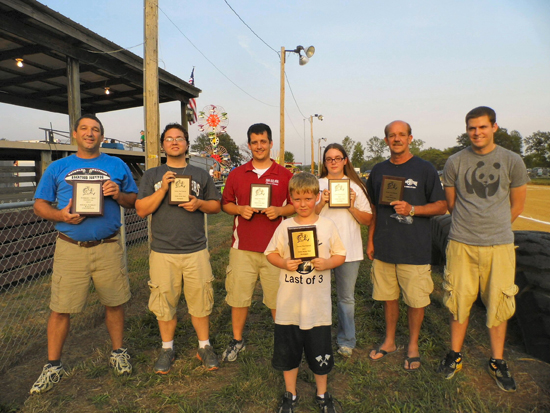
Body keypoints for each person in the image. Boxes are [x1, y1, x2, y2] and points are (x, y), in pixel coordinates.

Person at [31, 114, 138, 394]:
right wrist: (60, 215)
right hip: (70, 248)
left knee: (114, 303)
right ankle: (53, 365)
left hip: (108, 247)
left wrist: (118, 194)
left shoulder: (116, 165)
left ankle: (118, 352)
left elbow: (133, 201)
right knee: (60, 308)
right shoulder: (58, 167)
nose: (90, 134)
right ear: (75, 134)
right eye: (85, 129)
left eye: (96, 130)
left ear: (102, 136)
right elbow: (39, 204)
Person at [437, 107, 529, 392]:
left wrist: (494, 228)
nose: (476, 132)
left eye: (482, 127)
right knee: (457, 301)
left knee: (499, 304)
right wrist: (472, 228)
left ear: (494, 127)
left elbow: (518, 205)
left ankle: (497, 361)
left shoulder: (512, 161)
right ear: (467, 130)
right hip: (461, 244)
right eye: (472, 128)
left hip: (499, 245)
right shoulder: (455, 162)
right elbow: (451, 204)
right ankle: (455, 355)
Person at [135, 123, 222, 373]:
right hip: (163, 250)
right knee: (164, 302)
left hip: (195, 249)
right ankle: (167, 348)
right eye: (170, 139)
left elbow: (216, 206)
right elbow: (141, 210)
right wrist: (163, 189)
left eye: (180, 138)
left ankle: (203, 346)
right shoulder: (152, 175)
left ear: (187, 144)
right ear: (163, 144)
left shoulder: (201, 174)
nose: (175, 142)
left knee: (201, 301)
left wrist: (199, 204)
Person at [366, 120, 447, 371]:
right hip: (385, 246)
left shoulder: (425, 169)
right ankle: (389, 341)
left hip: (414, 248)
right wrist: (370, 240)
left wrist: (413, 209)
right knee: (388, 298)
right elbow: (373, 210)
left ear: (411, 138)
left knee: (415, 300)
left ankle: (413, 345)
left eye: (402, 135)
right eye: (392, 135)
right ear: (386, 140)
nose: (397, 139)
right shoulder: (378, 171)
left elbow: (441, 206)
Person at [266, 172, 346, 413]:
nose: (303, 204)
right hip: (289, 306)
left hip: (317, 308)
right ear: (291, 198)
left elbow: (340, 254)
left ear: (317, 197)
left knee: (319, 352)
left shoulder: (327, 226)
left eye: (308, 198)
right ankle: (290, 394)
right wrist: (284, 263)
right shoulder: (284, 226)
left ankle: (322, 394)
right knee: (289, 352)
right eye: (297, 199)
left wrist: (327, 263)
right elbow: (271, 253)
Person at [221, 123, 294, 362]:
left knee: (278, 298)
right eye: (254, 142)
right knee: (239, 297)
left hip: (275, 249)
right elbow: (226, 204)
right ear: (249, 145)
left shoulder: (285, 175)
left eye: (263, 141)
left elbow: (296, 205)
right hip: (242, 248)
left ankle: (283, 341)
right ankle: (237, 340)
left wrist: (280, 210)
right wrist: (240, 209)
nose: (259, 146)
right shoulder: (237, 174)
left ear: (271, 143)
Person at [315, 143, 373, 358]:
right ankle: (317, 339)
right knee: (318, 296)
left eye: (337, 158)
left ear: (345, 160)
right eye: (329, 159)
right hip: (321, 250)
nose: (333, 162)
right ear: (325, 162)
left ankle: (346, 340)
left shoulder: (356, 187)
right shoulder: (318, 184)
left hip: (349, 250)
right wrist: (321, 203)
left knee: (345, 298)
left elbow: (367, 219)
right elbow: (305, 213)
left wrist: (350, 205)